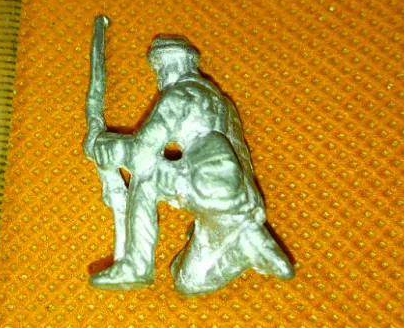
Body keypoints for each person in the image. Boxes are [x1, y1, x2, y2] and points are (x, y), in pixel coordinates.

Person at [90, 35, 295, 296]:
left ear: (176, 65)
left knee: (147, 175)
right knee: (187, 282)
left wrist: (106, 145)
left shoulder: (180, 96)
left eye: (161, 69)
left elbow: (142, 152)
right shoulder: (221, 102)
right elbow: (241, 154)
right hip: (232, 201)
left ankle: (137, 265)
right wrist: (250, 208)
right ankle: (243, 244)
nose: (160, 77)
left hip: (203, 185)